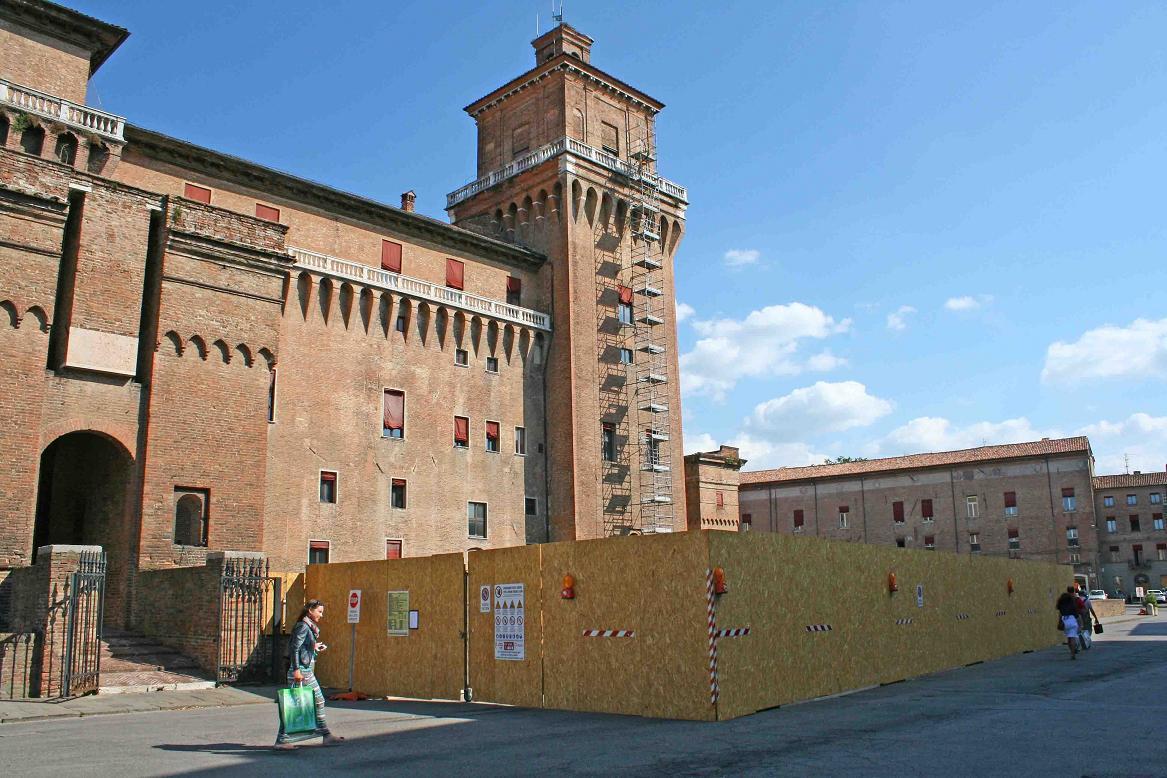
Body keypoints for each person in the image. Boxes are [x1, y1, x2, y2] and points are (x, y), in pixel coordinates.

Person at [274, 599, 344, 750]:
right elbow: (294, 648)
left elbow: (301, 647)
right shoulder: (303, 626)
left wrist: (314, 646)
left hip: (305, 669)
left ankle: (326, 735)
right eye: (319, 611)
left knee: (311, 702)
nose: (321, 615)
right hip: (302, 671)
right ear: (310, 610)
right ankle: (282, 740)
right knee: (296, 705)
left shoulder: (307, 626)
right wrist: (296, 670)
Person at [1055, 586, 1081, 660]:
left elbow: (1060, 615)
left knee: (1069, 638)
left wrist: (1059, 622)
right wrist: (1080, 624)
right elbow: (1077, 615)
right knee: (1072, 637)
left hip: (1065, 620)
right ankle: (1073, 652)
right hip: (1072, 620)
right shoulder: (1072, 605)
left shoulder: (1061, 606)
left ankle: (1071, 652)